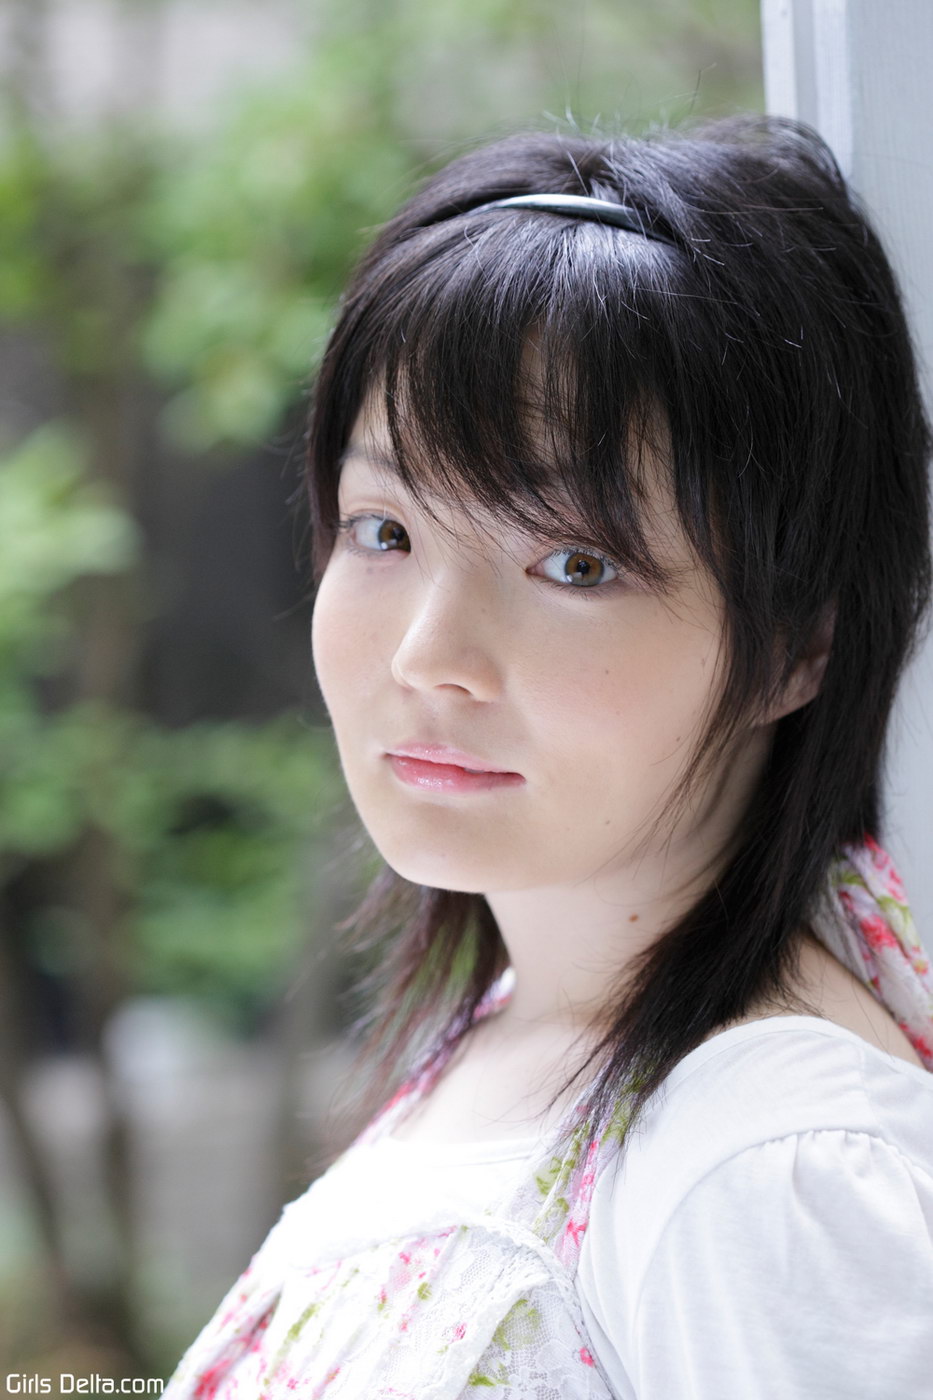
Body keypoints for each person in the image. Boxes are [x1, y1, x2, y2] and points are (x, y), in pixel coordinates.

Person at [162, 113, 933, 1398]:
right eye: (385, 529)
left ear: (796, 645)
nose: (430, 655)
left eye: (574, 562)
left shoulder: (766, 1167)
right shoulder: (523, 1026)